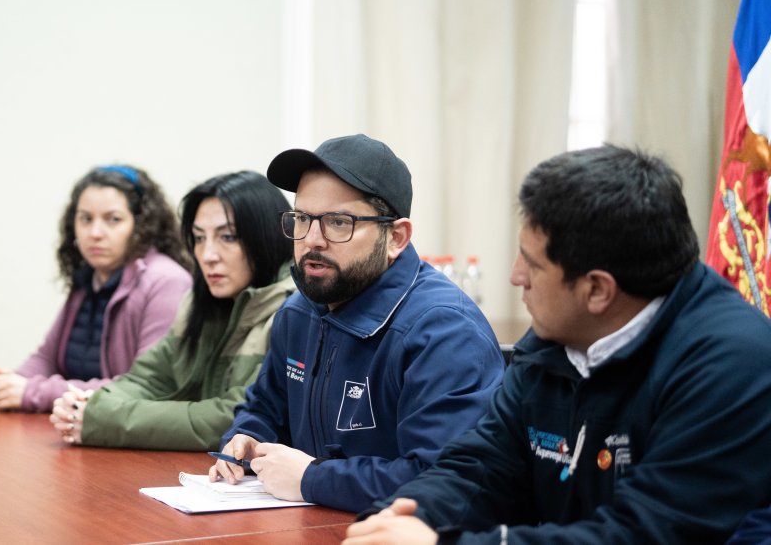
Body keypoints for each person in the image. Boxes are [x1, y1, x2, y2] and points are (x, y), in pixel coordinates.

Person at [344, 146, 771, 544]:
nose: (516, 276)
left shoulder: (730, 365)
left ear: (597, 290)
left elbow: (647, 532)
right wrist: (403, 517)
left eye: (531, 264)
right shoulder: (559, 337)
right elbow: (482, 465)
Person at [209, 134, 503, 513]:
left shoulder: (444, 331)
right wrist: (246, 436)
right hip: (310, 522)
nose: (312, 240)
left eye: (338, 222)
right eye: (302, 218)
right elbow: (265, 408)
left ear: (396, 237)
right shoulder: (299, 312)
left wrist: (312, 479)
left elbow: (443, 479)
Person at [49, 170, 295, 450]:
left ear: (266, 236)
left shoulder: (292, 312)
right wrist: (91, 404)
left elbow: (235, 417)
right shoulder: (200, 302)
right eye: (199, 238)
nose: (208, 255)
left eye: (227, 237)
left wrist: (105, 419)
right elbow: (150, 378)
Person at [0, 165, 191, 413]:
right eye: (85, 219)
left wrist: (34, 392)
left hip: (125, 430)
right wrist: (12, 381)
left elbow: (147, 387)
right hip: (74, 422)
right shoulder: (89, 278)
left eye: (113, 219)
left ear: (141, 225)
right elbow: (47, 358)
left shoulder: (167, 281)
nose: (95, 233)